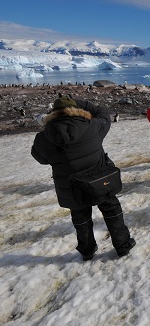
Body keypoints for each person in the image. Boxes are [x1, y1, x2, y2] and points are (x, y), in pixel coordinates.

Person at [31, 96, 135, 261]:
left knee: (81, 218)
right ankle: (123, 245)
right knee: (112, 210)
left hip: (70, 186)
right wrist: (82, 103)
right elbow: (103, 114)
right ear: (75, 110)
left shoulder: (43, 138)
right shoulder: (92, 126)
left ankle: (87, 251)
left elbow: (41, 158)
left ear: (53, 114)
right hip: (100, 180)